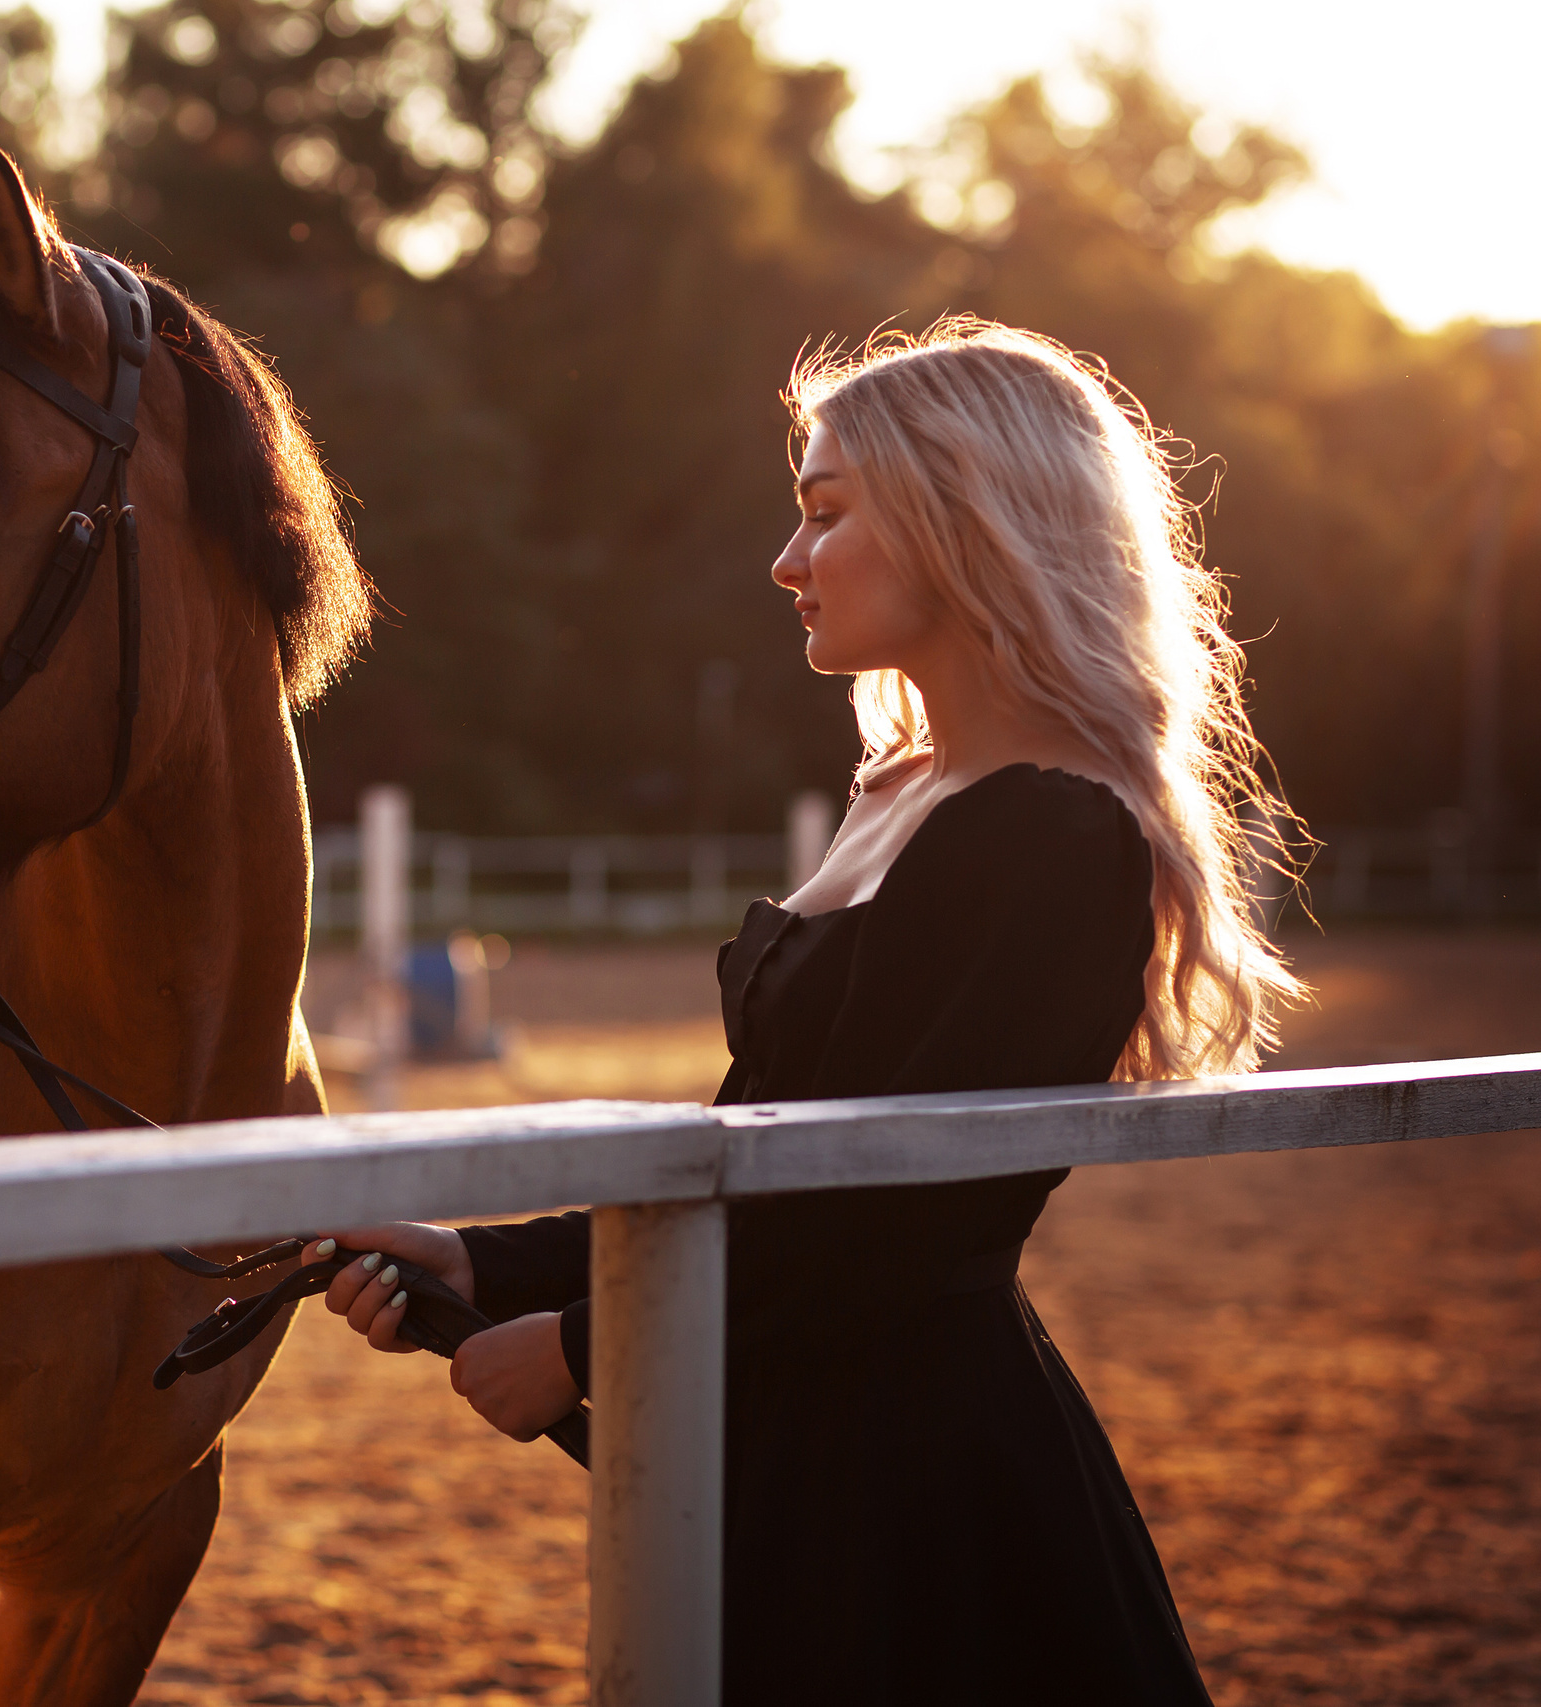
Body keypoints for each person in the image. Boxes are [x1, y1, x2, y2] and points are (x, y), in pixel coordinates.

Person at [317, 319, 1302, 1703]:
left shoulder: (1057, 835)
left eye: (826, 515)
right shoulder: (900, 797)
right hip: (804, 1421)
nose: (786, 563)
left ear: (968, 521)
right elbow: (759, 1153)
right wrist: (487, 1265)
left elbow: (887, 1220)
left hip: (915, 1487)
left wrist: (581, 1347)